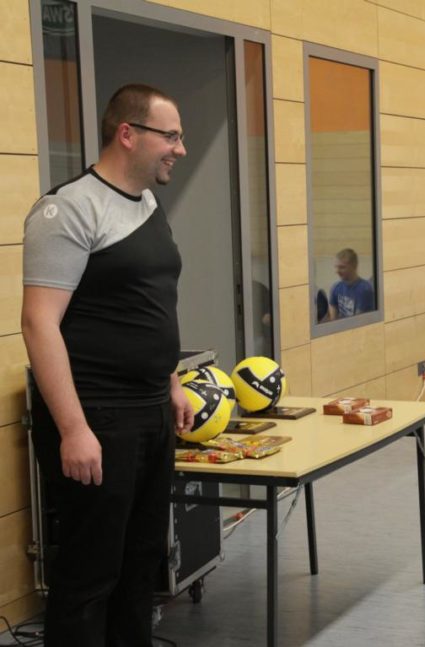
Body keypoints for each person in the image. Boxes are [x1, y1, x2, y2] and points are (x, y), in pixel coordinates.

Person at [21, 84, 194, 647]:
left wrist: (170, 381)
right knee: (90, 573)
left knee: (141, 564)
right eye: (171, 136)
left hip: (151, 411)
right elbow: (39, 323)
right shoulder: (68, 209)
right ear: (127, 134)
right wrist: (74, 429)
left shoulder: (146, 204)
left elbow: (151, 302)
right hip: (97, 416)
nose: (180, 149)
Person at [328, 248, 374, 319]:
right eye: (336, 267)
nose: (337, 271)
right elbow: (333, 317)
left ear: (354, 266)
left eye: (342, 267)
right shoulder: (336, 287)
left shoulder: (365, 289)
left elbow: (359, 320)